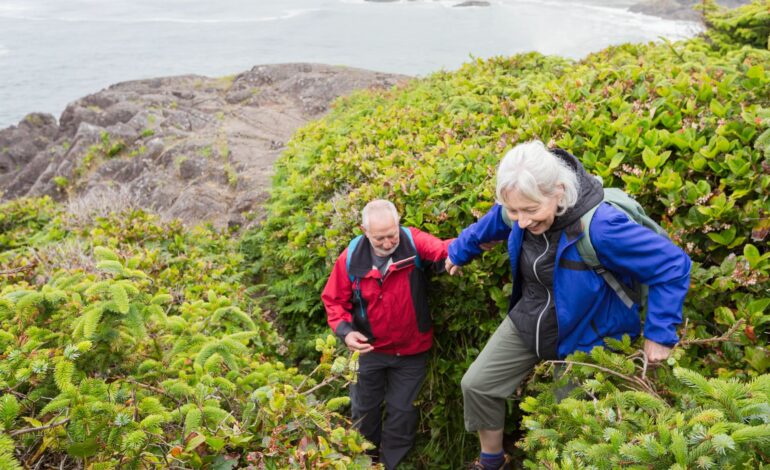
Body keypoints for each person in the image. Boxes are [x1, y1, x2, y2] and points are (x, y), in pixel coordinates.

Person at [445, 141, 691, 470]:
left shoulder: (601, 227)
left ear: (559, 191)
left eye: (530, 211)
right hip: (532, 318)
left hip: (588, 332)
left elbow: (672, 264)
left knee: (572, 424)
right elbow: (496, 220)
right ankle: (493, 462)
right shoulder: (519, 207)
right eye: (515, 210)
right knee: (477, 385)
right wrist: (461, 250)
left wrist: (660, 333)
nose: (520, 222)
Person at [321, 199, 451, 469]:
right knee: (363, 409)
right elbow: (334, 301)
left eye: (391, 234)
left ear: (398, 224)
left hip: (412, 349)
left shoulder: (412, 241)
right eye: (379, 238)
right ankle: (365, 461)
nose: (387, 242)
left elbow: (442, 250)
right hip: (369, 350)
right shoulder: (350, 258)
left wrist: (477, 242)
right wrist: (346, 333)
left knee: (402, 411)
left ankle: (391, 464)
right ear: (364, 231)